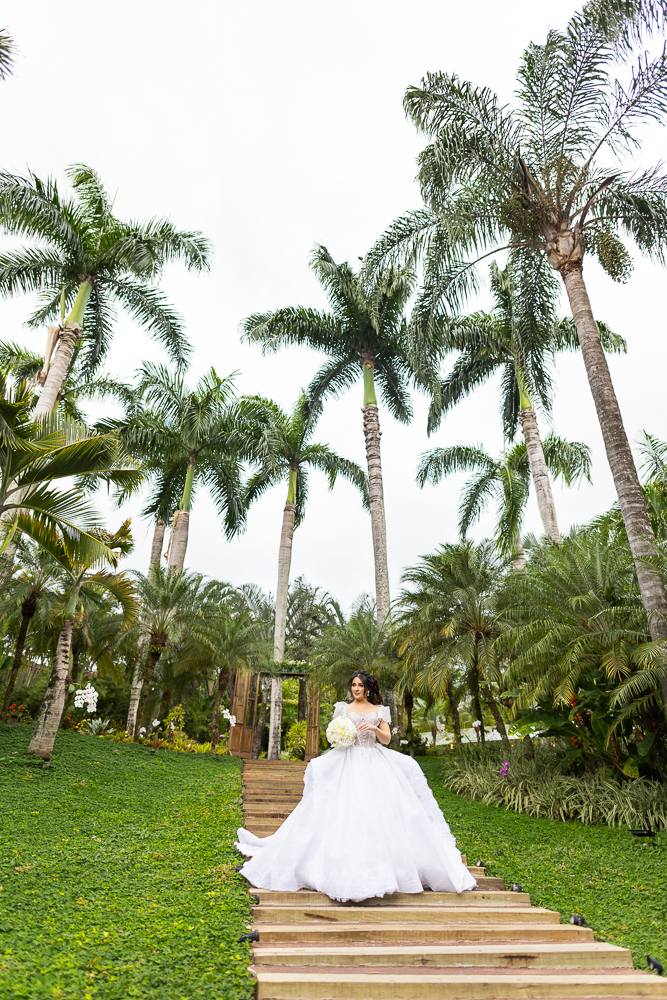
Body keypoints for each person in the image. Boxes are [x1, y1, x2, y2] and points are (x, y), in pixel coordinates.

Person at [236, 670, 476, 902]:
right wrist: (340, 737)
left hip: (374, 761)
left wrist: (374, 728)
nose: (357, 689)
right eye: (354, 685)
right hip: (347, 762)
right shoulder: (343, 709)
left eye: (360, 685)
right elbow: (333, 736)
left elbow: (386, 739)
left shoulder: (379, 710)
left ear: (368, 688)